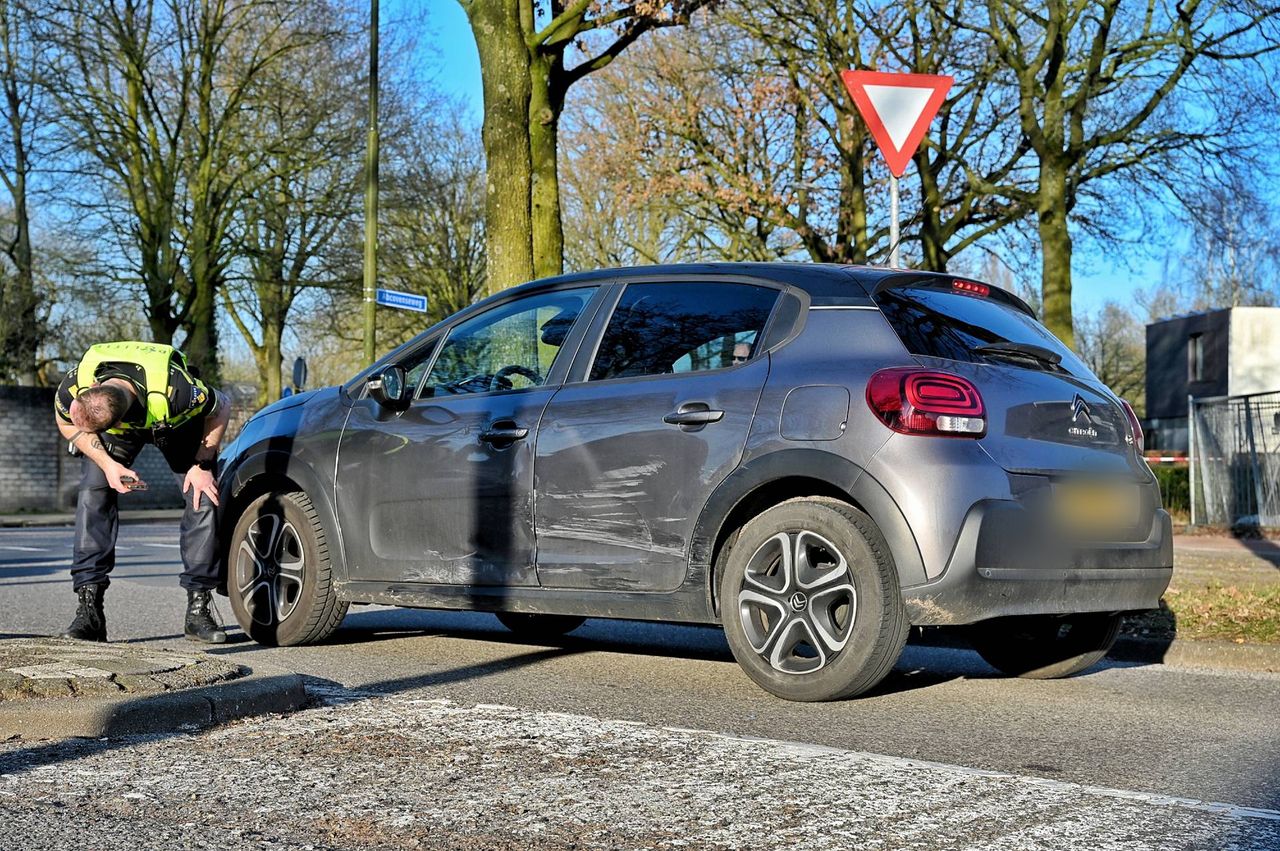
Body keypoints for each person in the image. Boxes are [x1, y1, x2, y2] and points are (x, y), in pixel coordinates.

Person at [54, 341, 231, 644]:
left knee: (203, 496)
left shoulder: (179, 392)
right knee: (92, 494)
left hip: (176, 425)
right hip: (117, 430)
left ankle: (198, 609)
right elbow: (65, 423)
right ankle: (89, 610)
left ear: (121, 420)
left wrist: (202, 463)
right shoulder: (75, 385)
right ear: (92, 386)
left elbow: (223, 406)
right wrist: (108, 464)